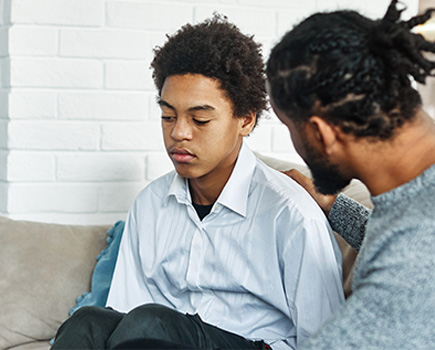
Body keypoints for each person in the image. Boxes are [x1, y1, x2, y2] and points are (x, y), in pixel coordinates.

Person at [51, 15, 345, 350]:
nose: (179, 133)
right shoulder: (151, 204)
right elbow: (123, 315)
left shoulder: (291, 214)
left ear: (246, 120)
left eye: (200, 119)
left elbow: (327, 339)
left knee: (150, 323)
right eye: (168, 116)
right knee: (88, 323)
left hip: (252, 344)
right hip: (154, 339)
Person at [266, 0, 435, 349]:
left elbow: (423, 256)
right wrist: (333, 206)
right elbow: (402, 239)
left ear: (321, 134)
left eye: (289, 127)